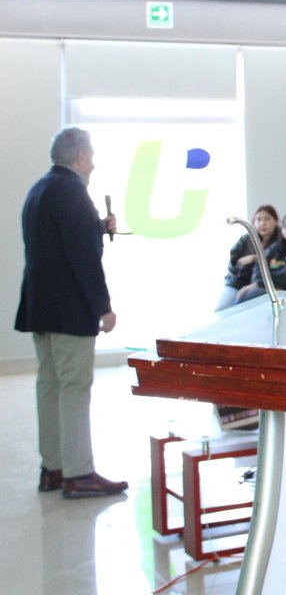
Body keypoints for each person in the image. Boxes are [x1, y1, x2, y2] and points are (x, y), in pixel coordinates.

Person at [15, 126, 127, 498]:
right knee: (75, 387)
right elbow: (82, 257)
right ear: (80, 156)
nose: (93, 165)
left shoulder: (40, 189)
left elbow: (56, 241)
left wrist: (96, 228)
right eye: (91, 157)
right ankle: (80, 474)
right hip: (69, 309)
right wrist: (104, 307)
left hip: (41, 305)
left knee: (49, 386)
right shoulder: (75, 193)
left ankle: (54, 468)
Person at [216, 205, 280, 311]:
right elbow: (236, 262)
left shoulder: (281, 242)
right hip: (237, 282)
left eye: (267, 219)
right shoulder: (246, 239)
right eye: (258, 219)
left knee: (244, 309)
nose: (262, 223)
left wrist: (255, 258)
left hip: (261, 285)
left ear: (276, 221)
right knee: (221, 309)